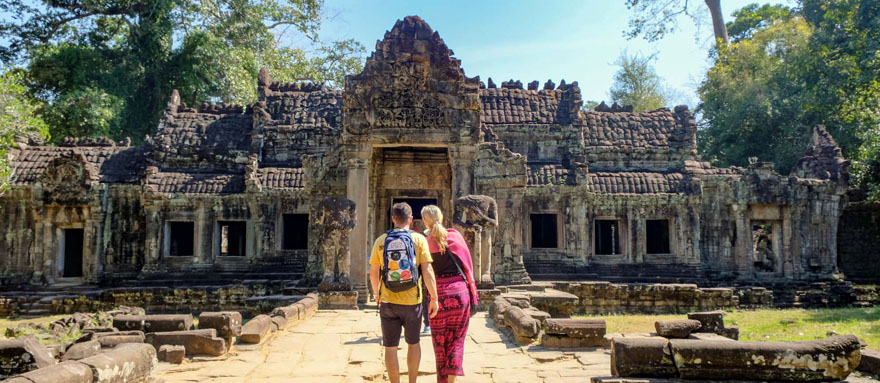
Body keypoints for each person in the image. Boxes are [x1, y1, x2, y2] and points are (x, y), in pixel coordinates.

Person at [370, 202, 439, 383]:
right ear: (410, 219)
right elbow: (427, 271)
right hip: (413, 301)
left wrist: (377, 295)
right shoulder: (419, 240)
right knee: (413, 343)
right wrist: (434, 298)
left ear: (393, 219)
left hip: (388, 301)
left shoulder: (380, 241)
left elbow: (374, 273)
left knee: (390, 347)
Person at [420, 205, 478, 383]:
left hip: (437, 296)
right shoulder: (455, 236)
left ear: (424, 221)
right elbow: (468, 266)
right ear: (441, 217)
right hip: (460, 294)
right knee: (457, 341)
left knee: (440, 345)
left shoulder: (425, 242)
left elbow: (424, 271)